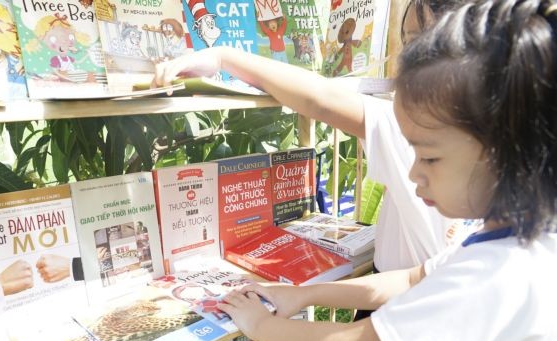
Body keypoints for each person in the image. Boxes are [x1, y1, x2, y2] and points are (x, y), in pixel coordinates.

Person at [214, 0, 557, 341]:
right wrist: (303, 294)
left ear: (505, 151)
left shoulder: (491, 275)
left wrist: (261, 325)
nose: (413, 172)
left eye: (430, 157)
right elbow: (410, 278)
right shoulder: (510, 242)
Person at [153, 0, 474, 278]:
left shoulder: (407, 126)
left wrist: (223, 58)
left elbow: (320, 98)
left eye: (422, 44)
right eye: (408, 44)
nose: (407, 62)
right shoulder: (485, 144)